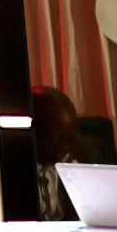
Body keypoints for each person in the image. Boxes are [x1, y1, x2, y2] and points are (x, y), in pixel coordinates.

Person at [31, 86, 83, 221]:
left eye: (71, 138)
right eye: (58, 139)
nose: (65, 147)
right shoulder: (3, 174)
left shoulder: (86, 159)